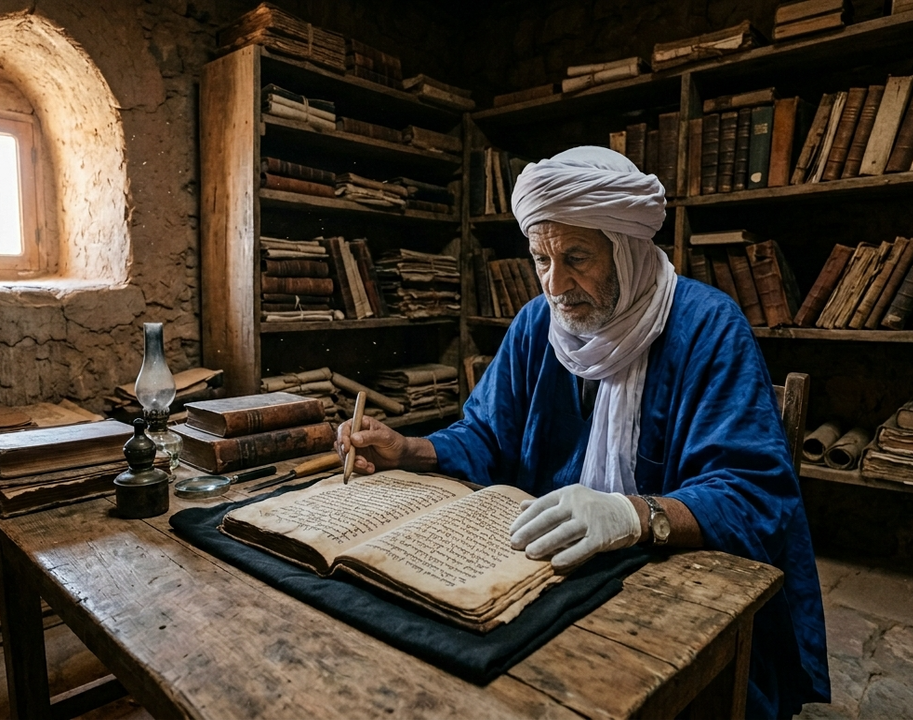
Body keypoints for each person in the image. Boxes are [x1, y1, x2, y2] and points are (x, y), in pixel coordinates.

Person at [335, 146, 830, 718]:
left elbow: (752, 493)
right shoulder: (535, 325)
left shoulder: (707, 327)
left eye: (576, 257)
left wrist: (632, 516)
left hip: (669, 586)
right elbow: (486, 436)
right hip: (547, 571)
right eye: (541, 260)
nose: (555, 284)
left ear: (628, 249)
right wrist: (411, 449)